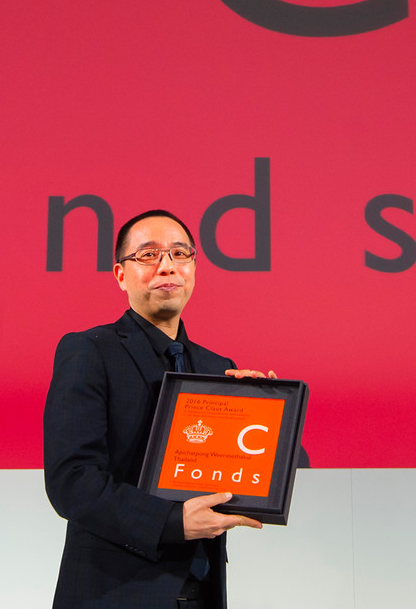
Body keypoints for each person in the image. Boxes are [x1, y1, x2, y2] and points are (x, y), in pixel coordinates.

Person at [43, 209, 273, 609]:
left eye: (180, 254)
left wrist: (264, 411)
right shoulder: (89, 350)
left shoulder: (218, 369)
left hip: (201, 594)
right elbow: (72, 482)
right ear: (120, 275)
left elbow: (227, 481)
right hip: (113, 595)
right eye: (148, 255)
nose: (167, 266)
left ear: (194, 269)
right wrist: (171, 522)